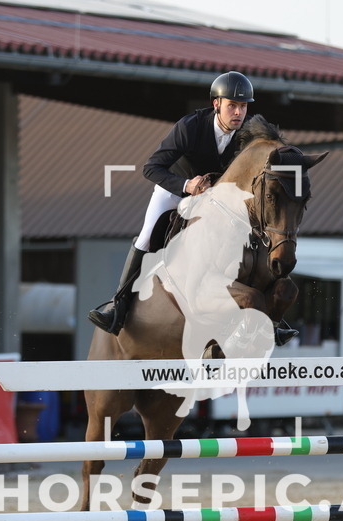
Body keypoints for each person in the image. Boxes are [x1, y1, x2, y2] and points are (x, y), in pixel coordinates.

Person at [87, 71, 297, 346]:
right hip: (175, 189)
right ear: (216, 105)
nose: (238, 112)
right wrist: (187, 185)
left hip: (217, 198)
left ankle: (272, 318)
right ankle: (119, 305)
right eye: (232, 105)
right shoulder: (190, 127)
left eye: (243, 106)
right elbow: (151, 168)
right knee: (148, 236)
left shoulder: (245, 138)